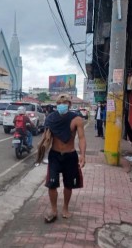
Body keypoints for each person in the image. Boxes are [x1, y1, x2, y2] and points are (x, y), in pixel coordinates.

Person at [42, 94, 86, 223]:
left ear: (69, 105)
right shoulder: (50, 118)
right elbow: (46, 136)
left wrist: (83, 154)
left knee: (69, 185)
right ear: (57, 105)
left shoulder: (77, 119)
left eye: (64, 102)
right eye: (59, 102)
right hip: (55, 155)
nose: (62, 104)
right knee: (51, 184)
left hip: (70, 156)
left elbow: (82, 138)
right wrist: (42, 149)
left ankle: (65, 208)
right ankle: (54, 209)